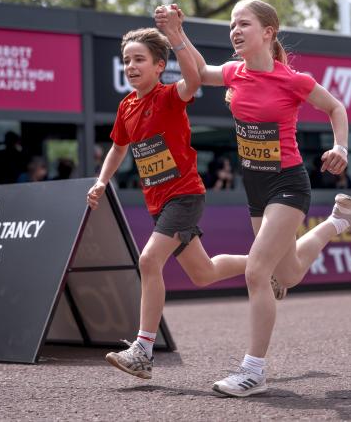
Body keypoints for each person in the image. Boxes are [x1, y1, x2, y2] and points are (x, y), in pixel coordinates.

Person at [156, 0, 351, 397]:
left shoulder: (293, 80)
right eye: (231, 25)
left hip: (288, 185)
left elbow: (335, 107)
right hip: (256, 186)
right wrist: (176, 34)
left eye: (243, 24)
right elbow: (197, 73)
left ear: (268, 33)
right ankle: (338, 220)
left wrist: (341, 149)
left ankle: (253, 371)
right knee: (287, 274)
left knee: (258, 273)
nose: (235, 31)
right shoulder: (233, 73)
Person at [86, 26, 273, 381]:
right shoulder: (126, 106)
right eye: (127, 60)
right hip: (158, 202)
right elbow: (118, 148)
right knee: (204, 273)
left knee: (148, 259)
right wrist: (101, 181)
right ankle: (266, 264)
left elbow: (193, 78)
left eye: (139, 59)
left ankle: (143, 350)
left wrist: (176, 37)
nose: (131, 66)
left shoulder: (171, 96)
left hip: (184, 195)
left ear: (159, 66)